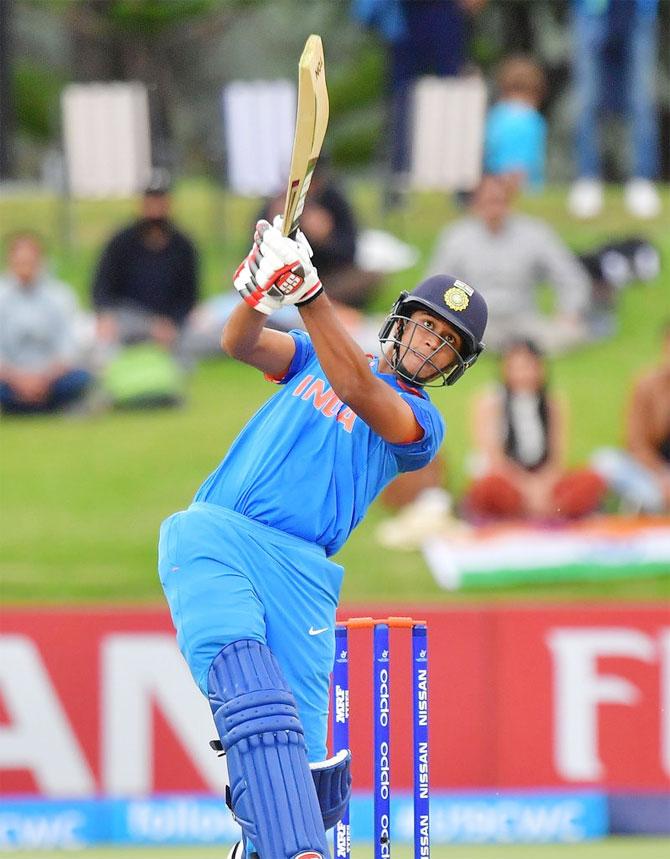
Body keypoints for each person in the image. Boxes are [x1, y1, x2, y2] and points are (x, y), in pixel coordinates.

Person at [157, 216, 488, 859]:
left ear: (453, 365)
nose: (429, 346)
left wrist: (309, 293)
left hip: (305, 576)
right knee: (252, 696)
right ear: (403, 319)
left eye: (446, 343)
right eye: (427, 326)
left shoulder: (422, 422)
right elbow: (240, 344)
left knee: (311, 784)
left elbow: (358, 389)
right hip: (219, 535)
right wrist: (258, 289)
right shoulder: (318, 355)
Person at [427, 174, 592, 353]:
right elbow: (435, 284)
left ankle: (519, 351)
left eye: (499, 200)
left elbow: (571, 278)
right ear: (475, 203)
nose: (494, 207)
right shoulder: (456, 237)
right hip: (476, 323)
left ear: (509, 201)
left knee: (571, 332)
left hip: (524, 321)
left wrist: (568, 312)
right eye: (488, 201)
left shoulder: (536, 233)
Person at [463, 338, 605, 521]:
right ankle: (537, 514)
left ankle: (541, 512)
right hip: (509, 480)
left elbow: (557, 457)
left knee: (591, 479)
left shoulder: (553, 403)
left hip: (545, 482)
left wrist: (542, 488)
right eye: (516, 367)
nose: (523, 374)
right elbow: (494, 459)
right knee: (489, 486)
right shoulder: (490, 402)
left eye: (529, 366)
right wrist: (527, 489)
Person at [567, 0, 662, 220]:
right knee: (586, 101)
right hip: (591, 11)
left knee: (641, 102)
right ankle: (587, 178)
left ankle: (642, 179)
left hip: (638, 12)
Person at [91, 176, 198, 358]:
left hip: (170, 323)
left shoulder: (183, 246)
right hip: (127, 317)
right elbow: (103, 287)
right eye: (151, 201)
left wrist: (172, 321)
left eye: (160, 200)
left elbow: (189, 295)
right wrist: (105, 314)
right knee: (104, 341)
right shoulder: (121, 242)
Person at [0, 233, 92, 415]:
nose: (25, 268)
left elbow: (70, 347)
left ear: (41, 261)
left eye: (30, 262)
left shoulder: (61, 295)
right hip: (10, 378)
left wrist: (44, 379)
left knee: (81, 378)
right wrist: (19, 380)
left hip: (52, 378)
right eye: (20, 262)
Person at [592, 322, 670, 513]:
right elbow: (635, 442)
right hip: (653, 471)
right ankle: (652, 501)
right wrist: (662, 475)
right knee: (604, 460)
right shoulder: (646, 385)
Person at [484, 55, 547, 192]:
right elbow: (531, 157)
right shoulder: (534, 121)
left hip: (495, 183)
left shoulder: (495, 116)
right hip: (529, 186)